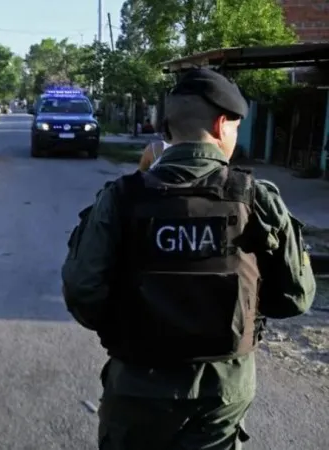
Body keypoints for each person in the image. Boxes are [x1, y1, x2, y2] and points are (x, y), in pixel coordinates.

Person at [62, 68, 316, 450]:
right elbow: (296, 298)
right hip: (221, 393)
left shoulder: (121, 197)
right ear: (220, 125)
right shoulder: (256, 198)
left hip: (137, 386)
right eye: (234, 127)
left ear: (167, 128)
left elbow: (84, 294)